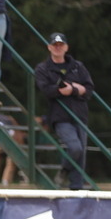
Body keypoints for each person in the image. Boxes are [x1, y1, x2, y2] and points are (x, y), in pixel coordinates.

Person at [35, 32, 94, 190]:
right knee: (75, 147)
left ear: (66, 47)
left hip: (80, 114)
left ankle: (76, 186)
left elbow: (89, 89)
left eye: (61, 45)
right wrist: (67, 90)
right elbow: (46, 90)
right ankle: (64, 171)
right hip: (60, 116)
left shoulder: (78, 66)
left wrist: (72, 89)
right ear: (49, 47)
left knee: (81, 154)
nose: (58, 48)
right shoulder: (43, 68)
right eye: (55, 45)